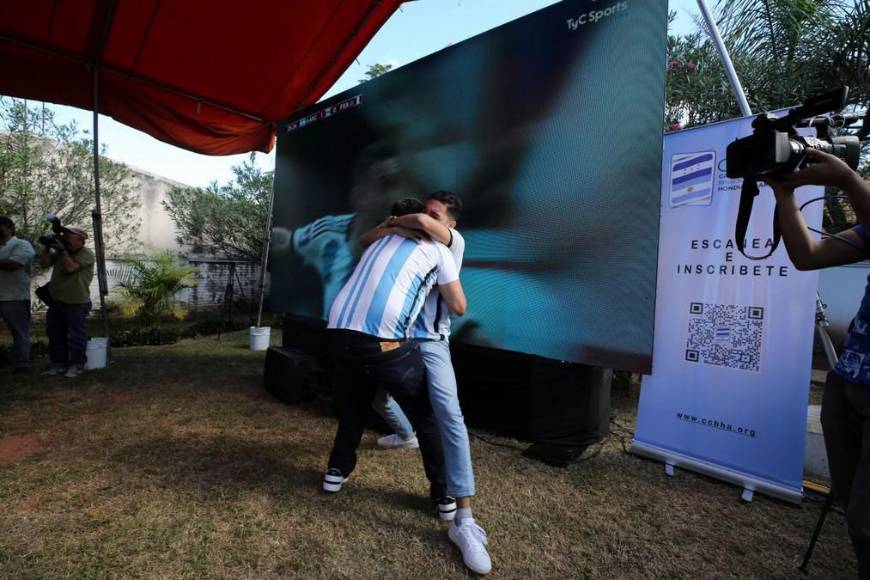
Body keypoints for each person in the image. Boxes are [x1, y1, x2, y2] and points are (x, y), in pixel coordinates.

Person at [360, 191, 492, 575]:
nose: (424, 218)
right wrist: (391, 226)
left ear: (450, 224)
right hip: (393, 336)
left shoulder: (453, 242)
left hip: (431, 343)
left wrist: (403, 220)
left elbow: (457, 304)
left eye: (434, 214)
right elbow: (365, 241)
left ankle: (464, 522)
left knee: (450, 415)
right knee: (376, 397)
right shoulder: (408, 236)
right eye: (423, 212)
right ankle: (405, 434)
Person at [764, 148, 870, 579]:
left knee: (867, 521)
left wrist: (846, 179)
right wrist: (783, 193)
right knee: (854, 510)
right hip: (849, 383)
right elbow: (808, 254)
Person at [38, 226, 95, 378]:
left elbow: (71, 268)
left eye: (70, 237)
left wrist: (63, 251)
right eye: (65, 236)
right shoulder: (61, 252)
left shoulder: (86, 253)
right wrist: (46, 247)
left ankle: (77, 364)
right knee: (55, 334)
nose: (65, 239)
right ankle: (58, 363)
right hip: (56, 301)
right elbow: (43, 264)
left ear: (81, 240)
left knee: (76, 335)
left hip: (76, 302)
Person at [0, 216, 36, 374]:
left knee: (19, 331)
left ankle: (22, 364)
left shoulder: (22, 245)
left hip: (14, 296)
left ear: (9, 229)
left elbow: (14, 264)